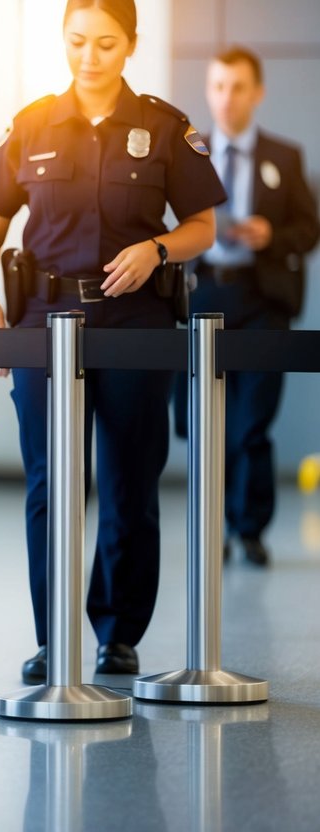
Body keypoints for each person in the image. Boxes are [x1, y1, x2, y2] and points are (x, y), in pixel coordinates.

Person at [0, 0, 226, 684]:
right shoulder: (30, 125)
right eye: (77, 41)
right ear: (63, 40)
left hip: (136, 321)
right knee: (50, 484)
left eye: (105, 44)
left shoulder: (163, 126)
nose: (89, 56)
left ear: (129, 45)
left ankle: (116, 634)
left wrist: (158, 247)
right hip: (43, 320)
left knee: (127, 483)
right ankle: (54, 636)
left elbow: (202, 224)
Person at [179, 46, 320, 567]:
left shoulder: (286, 157)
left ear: (257, 93)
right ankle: (210, 525)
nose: (226, 98)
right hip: (204, 293)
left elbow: (310, 231)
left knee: (251, 423)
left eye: (237, 87)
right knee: (205, 422)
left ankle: (250, 527)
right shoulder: (189, 156)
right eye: (218, 86)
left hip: (263, 299)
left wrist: (272, 235)